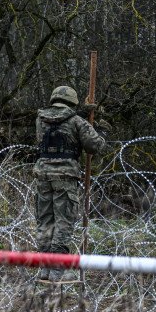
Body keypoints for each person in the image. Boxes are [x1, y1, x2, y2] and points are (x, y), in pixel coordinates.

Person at [34, 86, 107, 282]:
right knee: (63, 221)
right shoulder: (77, 121)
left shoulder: (40, 119)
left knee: (45, 221)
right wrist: (99, 128)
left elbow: (59, 124)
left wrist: (82, 116)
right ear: (72, 102)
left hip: (43, 175)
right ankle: (59, 269)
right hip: (65, 177)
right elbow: (95, 146)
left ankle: (45, 267)